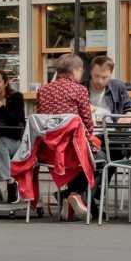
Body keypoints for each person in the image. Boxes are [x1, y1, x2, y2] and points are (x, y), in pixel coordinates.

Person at [35, 53, 98, 219]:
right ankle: (74, 194)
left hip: (48, 150)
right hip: (71, 148)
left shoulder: (43, 90)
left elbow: (40, 117)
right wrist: (90, 138)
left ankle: (67, 202)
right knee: (99, 158)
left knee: (85, 155)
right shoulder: (80, 90)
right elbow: (87, 122)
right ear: (76, 70)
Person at [0, 69, 26, 198]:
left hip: (14, 141)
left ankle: (9, 181)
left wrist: (0, 106)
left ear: (5, 83)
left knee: (0, 142)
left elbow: (16, 121)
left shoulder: (16, 97)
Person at [86, 54, 131, 120]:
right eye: (96, 76)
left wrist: (127, 117)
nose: (100, 81)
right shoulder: (80, 87)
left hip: (113, 127)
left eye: (104, 77)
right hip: (87, 128)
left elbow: (129, 108)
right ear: (91, 72)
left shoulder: (118, 86)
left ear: (110, 74)